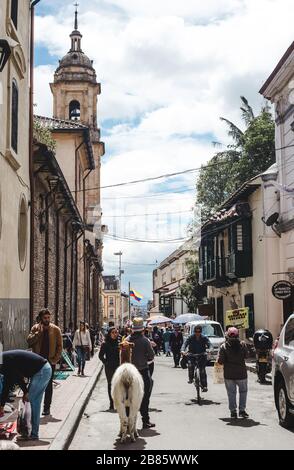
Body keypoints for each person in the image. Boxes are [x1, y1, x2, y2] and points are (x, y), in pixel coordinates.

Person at [0, 350, 52, 441]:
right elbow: (8, 383)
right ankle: (31, 432)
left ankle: (33, 434)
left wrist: (25, 391)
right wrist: (2, 405)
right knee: (31, 401)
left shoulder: (3, 361)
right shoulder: (3, 360)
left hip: (41, 371)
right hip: (42, 370)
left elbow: (16, 376)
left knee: (33, 401)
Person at [27, 308, 62, 416]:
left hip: (49, 362)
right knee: (34, 385)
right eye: (45, 318)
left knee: (48, 385)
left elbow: (59, 346)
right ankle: (33, 406)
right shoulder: (35, 328)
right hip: (37, 361)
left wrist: (55, 360)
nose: (47, 320)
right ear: (41, 318)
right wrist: (38, 333)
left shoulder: (55, 329)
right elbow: (29, 341)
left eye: (48, 317)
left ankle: (46, 408)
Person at [127, 317, 155, 429]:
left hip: (129, 372)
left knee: (128, 398)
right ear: (142, 330)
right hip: (142, 370)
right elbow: (151, 355)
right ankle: (145, 420)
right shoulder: (145, 341)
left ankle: (129, 421)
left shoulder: (127, 339)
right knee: (145, 395)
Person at [217, 327, 249, 419]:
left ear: (227, 336)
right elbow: (247, 356)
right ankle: (242, 411)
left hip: (229, 374)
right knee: (243, 392)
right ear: (237, 335)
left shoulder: (223, 346)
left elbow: (220, 361)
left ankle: (233, 412)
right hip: (241, 374)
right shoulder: (242, 345)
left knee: (231, 393)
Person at [182, 325, 211, 391]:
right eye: (196, 331)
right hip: (191, 355)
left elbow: (209, 344)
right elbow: (185, 344)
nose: (197, 333)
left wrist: (210, 350)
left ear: (201, 331)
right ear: (194, 331)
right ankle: (191, 378)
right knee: (190, 365)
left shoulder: (204, 338)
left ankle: (204, 386)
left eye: (199, 331)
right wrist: (183, 350)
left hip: (202, 355)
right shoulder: (190, 337)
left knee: (202, 371)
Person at [98, 327, 120, 410]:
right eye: (113, 332)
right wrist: (106, 363)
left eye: (116, 332)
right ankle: (111, 403)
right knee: (110, 385)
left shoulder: (119, 343)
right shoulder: (105, 343)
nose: (115, 334)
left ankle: (117, 402)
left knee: (118, 385)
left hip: (118, 366)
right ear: (109, 334)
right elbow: (100, 356)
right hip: (109, 367)